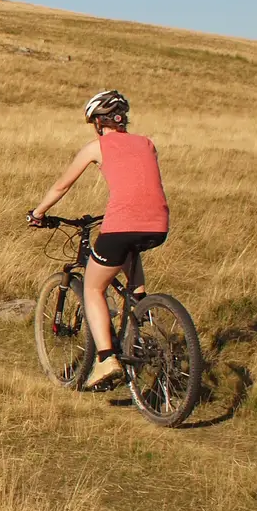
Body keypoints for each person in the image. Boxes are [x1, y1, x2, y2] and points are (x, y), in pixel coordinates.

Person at [28, 90, 169, 388]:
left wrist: (38, 213)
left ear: (97, 122)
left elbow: (61, 187)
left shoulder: (96, 147)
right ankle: (141, 317)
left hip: (121, 225)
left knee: (92, 286)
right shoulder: (148, 143)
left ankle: (105, 359)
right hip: (158, 225)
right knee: (130, 263)